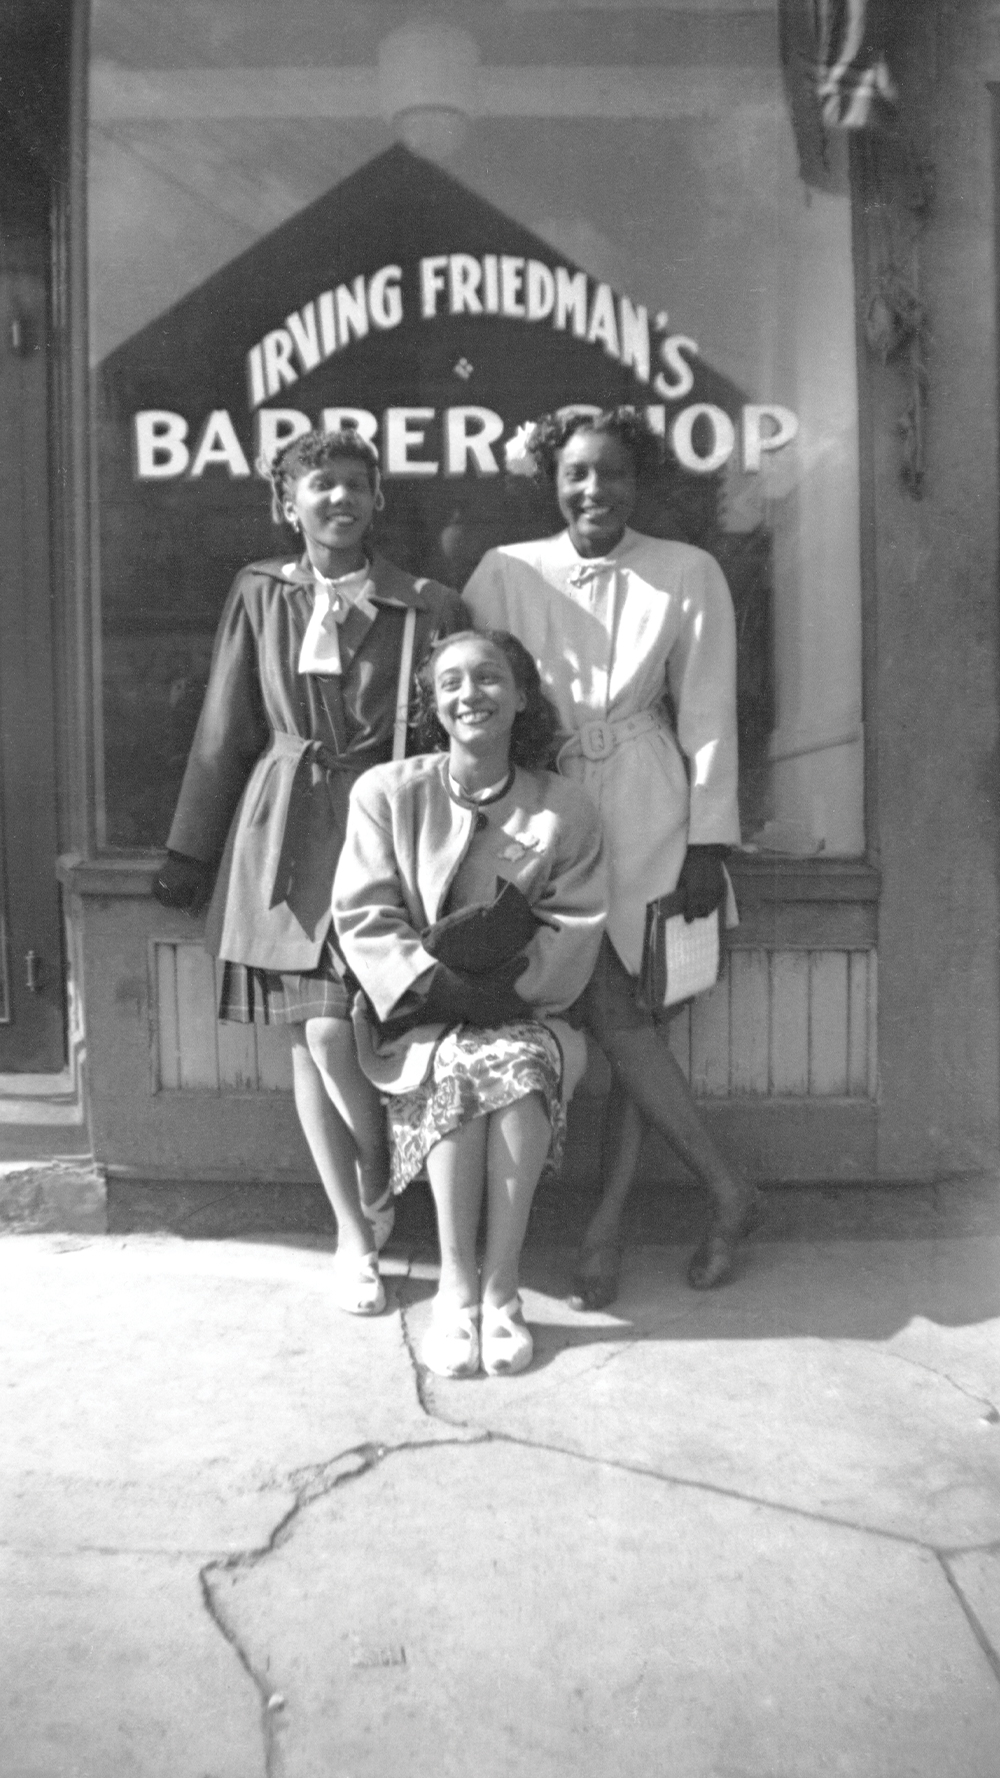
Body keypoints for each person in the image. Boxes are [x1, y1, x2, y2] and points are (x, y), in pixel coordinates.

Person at [152, 427, 464, 1314]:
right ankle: (356, 1230)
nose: (338, 499)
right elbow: (225, 723)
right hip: (282, 826)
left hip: (382, 829)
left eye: (355, 484)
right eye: (319, 485)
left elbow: (459, 733)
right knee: (314, 1039)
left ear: (378, 500)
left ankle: (379, 1183)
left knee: (347, 1035)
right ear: (288, 503)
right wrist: (192, 846)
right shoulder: (261, 594)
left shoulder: (426, 605)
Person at [464, 405, 762, 1309]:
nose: (596, 490)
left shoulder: (687, 572)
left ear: (640, 482)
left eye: (615, 474)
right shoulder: (506, 571)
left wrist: (709, 838)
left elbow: (707, 708)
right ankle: (724, 1192)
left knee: (636, 1013)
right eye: (578, 474)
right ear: (552, 480)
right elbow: (469, 689)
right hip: (545, 806)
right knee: (610, 1008)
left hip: (649, 805)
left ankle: (607, 1226)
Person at [332, 630, 607, 1377]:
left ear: (521, 697)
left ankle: (502, 1292)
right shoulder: (386, 793)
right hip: (416, 1014)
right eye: (450, 683)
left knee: (512, 1065)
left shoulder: (564, 809)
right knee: (457, 1063)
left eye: (489, 679)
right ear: (432, 705)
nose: (470, 695)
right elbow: (363, 916)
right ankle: (456, 1292)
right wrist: (442, 989)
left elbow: (574, 924)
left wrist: (504, 997)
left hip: (533, 1011)